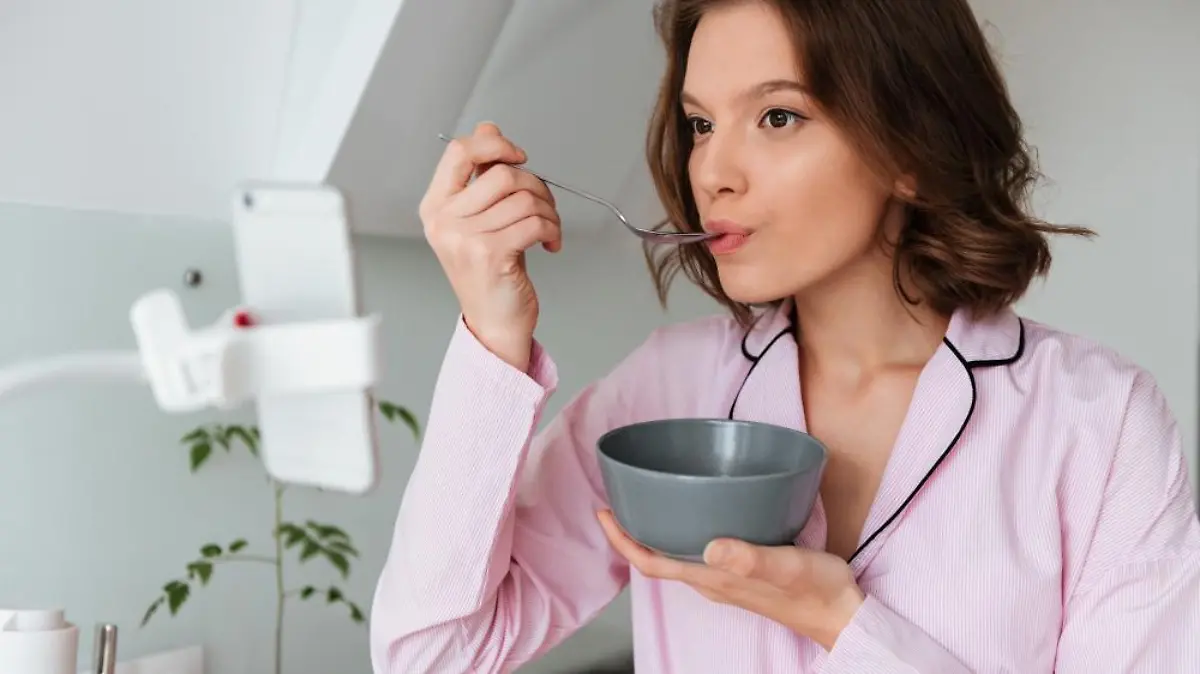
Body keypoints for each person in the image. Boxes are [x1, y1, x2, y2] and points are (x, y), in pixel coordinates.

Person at [369, 0, 1200, 672]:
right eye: (700, 124)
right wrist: (493, 330)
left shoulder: (1097, 422)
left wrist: (842, 623)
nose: (713, 173)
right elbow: (433, 656)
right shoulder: (663, 393)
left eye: (775, 116)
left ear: (910, 147)